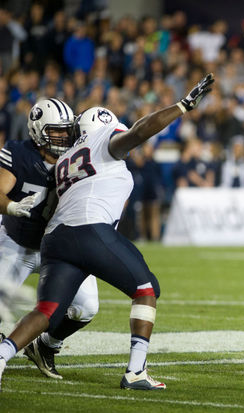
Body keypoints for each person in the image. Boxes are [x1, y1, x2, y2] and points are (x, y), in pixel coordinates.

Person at [0, 73, 215, 391]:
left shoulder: (66, 161)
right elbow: (141, 130)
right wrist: (182, 106)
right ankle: (136, 371)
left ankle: (5, 354)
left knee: (47, 310)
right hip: (82, 231)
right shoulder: (103, 141)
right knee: (146, 288)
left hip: (54, 239)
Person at [0, 98, 99, 380]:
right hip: (16, 243)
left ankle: (45, 346)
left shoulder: (77, 156)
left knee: (86, 307)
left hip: (57, 248)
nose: (63, 136)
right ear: (37, 129)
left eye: (66, 130)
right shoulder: (18, 153)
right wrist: (10, 206)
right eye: (55, 131)